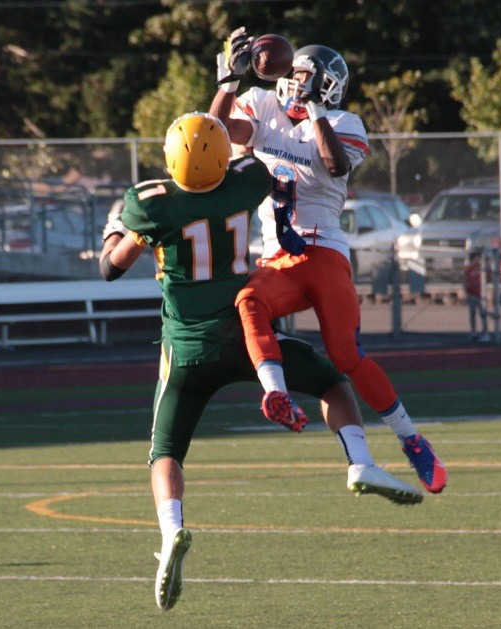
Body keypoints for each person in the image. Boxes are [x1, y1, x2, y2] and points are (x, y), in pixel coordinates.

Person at [99, 112, 423, 612]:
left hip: (184, 351)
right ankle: (360, 461)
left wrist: (114, 230)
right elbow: (255, 162)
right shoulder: (245, 183)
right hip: (247, 340)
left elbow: (110, 269)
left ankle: (172, 532)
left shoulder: (149, 204)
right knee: (334, 383)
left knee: (165, 451)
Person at [210, 28, 447, 494]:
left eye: (306, 75)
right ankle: (276, 393)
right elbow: (216, 137)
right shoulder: (261, 106)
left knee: (344, 355)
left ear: (328, 86)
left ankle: (411, 439)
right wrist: (229, 84)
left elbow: (335, 164)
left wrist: (316, 110)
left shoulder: (344, 121)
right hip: (278, 257)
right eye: (294, 72)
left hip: (323, 250)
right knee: (248, 300)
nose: (296, 81)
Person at [463, 251, 490, 342]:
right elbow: (465, 280)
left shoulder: (481, 268)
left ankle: (485, 332)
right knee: (472, 314)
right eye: (476, 258)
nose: (477, 260)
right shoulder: (468, 268)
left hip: (480, 295)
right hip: (471, 294)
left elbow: (487, 278)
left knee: (483, 314)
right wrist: (465, 290)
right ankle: (473, 332)